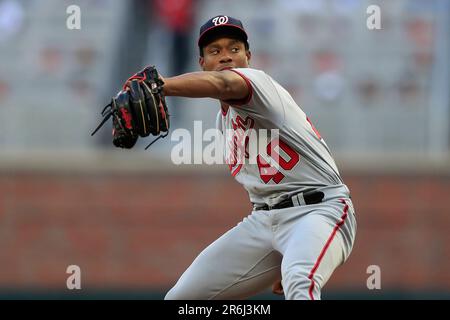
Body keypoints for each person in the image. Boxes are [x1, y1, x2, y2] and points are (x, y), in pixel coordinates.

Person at [162, 15, 357, 300]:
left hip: (318, 210)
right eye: (215, 51)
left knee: (301, 283)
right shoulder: (224, 121)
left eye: (234, 49)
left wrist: (160, 85)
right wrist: (281, 253)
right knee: (180, 300)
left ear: (248, 57)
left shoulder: (258, 83)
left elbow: (224, 85)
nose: (226, 56)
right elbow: (261, 188)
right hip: (265, 220)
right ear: (202, 64)